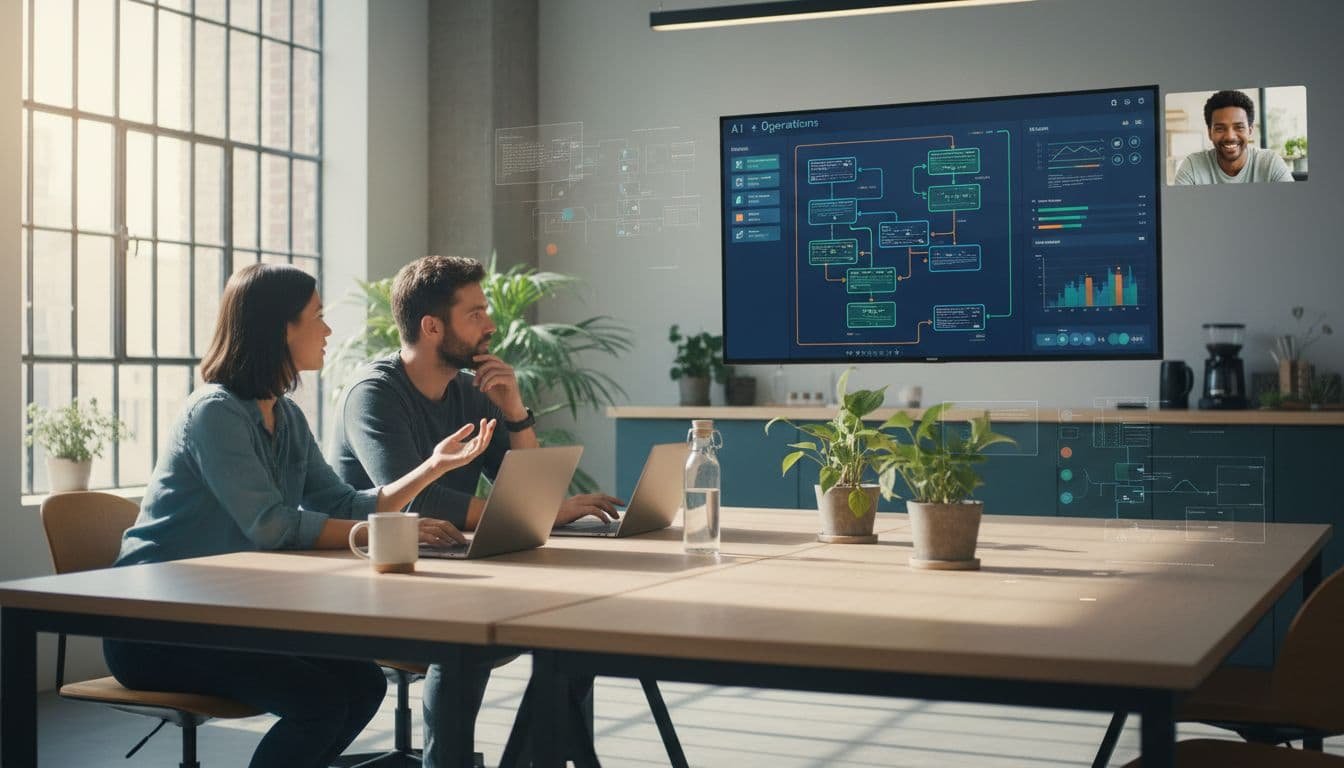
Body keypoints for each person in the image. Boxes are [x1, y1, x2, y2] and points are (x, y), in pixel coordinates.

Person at [103, 263, 496, 768]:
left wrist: (432, 468)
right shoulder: (215, 414)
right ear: (280, 329)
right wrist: (376, 534)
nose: (328, 330)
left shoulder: (284, 415)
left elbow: (341, 502)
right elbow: (272, 527)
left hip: (222, 616)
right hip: (158, 628)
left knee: (363, 684)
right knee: (320, 704)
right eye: (318, 316)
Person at [328, 254, 619, 766]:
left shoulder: (470, 390)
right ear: (432, 327)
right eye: (476, 314)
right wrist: (540, 515)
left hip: (446, 568)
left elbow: (526, 489)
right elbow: (417, 500)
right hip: (375, 579)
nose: (491, 325)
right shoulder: (373, 395)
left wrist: (515, 411)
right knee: (463, 640)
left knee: (573, 631)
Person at [1174, 89, 1294, 185]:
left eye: (1239, 127)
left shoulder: (1270, 163)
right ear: (1210, 133)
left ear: (1250, 131)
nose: (1230, 136)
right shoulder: (1192, 167)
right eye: (1220, 128)